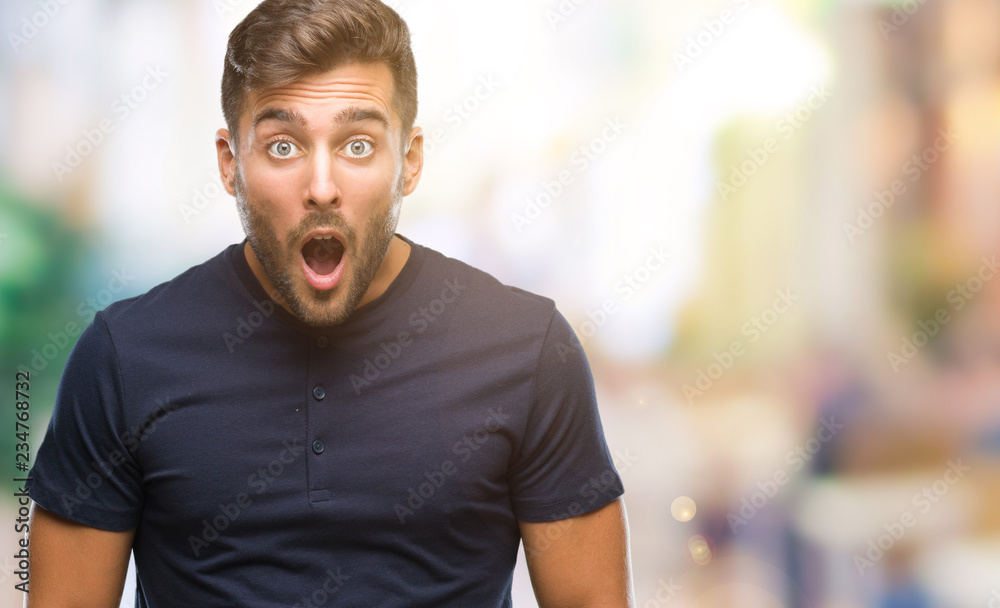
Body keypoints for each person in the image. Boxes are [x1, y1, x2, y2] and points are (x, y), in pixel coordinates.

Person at [25, 0, 634, 606]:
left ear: (411, 160)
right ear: (230, 163)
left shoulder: (528, 350)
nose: (322, 189)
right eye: (284, 146)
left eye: (359, 145)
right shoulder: (124, 357)